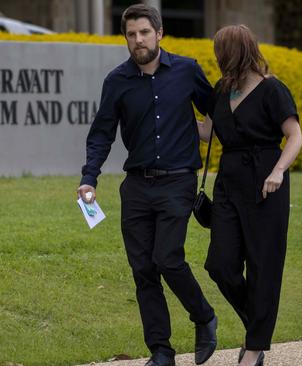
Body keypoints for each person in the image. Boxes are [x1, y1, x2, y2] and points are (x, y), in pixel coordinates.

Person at [77, 4, 217, 366]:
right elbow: (101, 134)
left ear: (159, 33)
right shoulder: (117, 81)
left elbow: (217, 112)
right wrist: (89, 179)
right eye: (131, 34)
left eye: (144, 32)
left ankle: (204, 317)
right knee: (143, 270)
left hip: (177, 182)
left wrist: (208, 134)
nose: (138, 40)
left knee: (168, 258)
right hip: (136, 187)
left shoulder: (187, 71)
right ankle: (161, 351)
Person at [197, 25, 302, 366]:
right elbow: (207, 132)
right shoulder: (221, 89)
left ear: (237, 53)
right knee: (219, 263)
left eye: (222, 55)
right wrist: (175, 105)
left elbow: (295, 137)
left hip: (265, 184)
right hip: (228, 183)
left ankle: (254, 349)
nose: (218, 61)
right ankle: (256, 324)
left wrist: (278, 171)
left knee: (263, 266)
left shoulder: (273, 90)